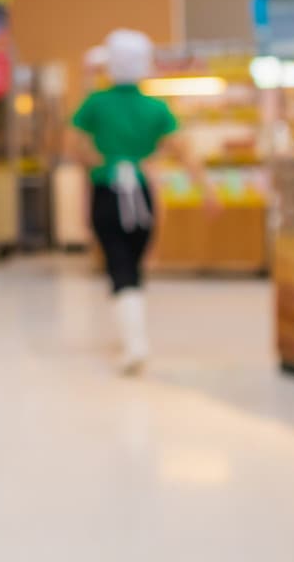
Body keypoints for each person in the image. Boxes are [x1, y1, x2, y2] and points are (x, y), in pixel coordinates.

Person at [68, 29, 216, 374]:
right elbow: (184, 152)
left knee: (117, 263)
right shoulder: (156, 108)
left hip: (106, 192)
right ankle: (132, 333)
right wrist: (206, 189)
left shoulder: (96, 103)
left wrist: (103, 163)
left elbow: (73, 146)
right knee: (134, 261)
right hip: (143, 191)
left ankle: (133, 339)